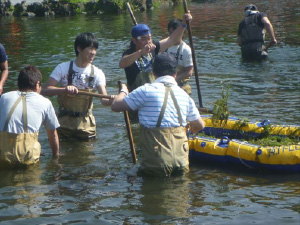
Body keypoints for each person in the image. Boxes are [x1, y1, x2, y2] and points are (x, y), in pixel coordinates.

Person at [112, 53, 205, 176]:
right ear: (175, 73)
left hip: (156, 161)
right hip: (181, 159)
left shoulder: (146, 90)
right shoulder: (184, 95)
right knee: (180, 192)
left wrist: (123, 91)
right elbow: (200, 126)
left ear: (153, 73)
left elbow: (116, 106)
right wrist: (189, 130)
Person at [41, 32, 115, 140]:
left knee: (86, 156)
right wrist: (64, 90)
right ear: (79, 48)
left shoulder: (98, 73)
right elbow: (44, 91)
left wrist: (112, 99)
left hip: (86, 127)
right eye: (90, 48)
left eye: (95, 49)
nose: (93, 53)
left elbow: (104, 100)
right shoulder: (62, 68)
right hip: (63, 124)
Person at [0, 65, 60, 169]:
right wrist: (56, 157)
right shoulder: (45, 102)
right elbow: (53, 135)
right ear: (37, 85)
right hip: (27, 159)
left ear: (19, 84)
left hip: (3, 157)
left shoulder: (4, 97)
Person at [165, 18, 193, 95]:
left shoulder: (186, 49)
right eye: (170, 33)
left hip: (181, 85)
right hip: (166, 84)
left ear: (182, 33)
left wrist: (174, 79)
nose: (172, 36)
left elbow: (189, 72)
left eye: (174, 33)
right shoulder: (164, 46)